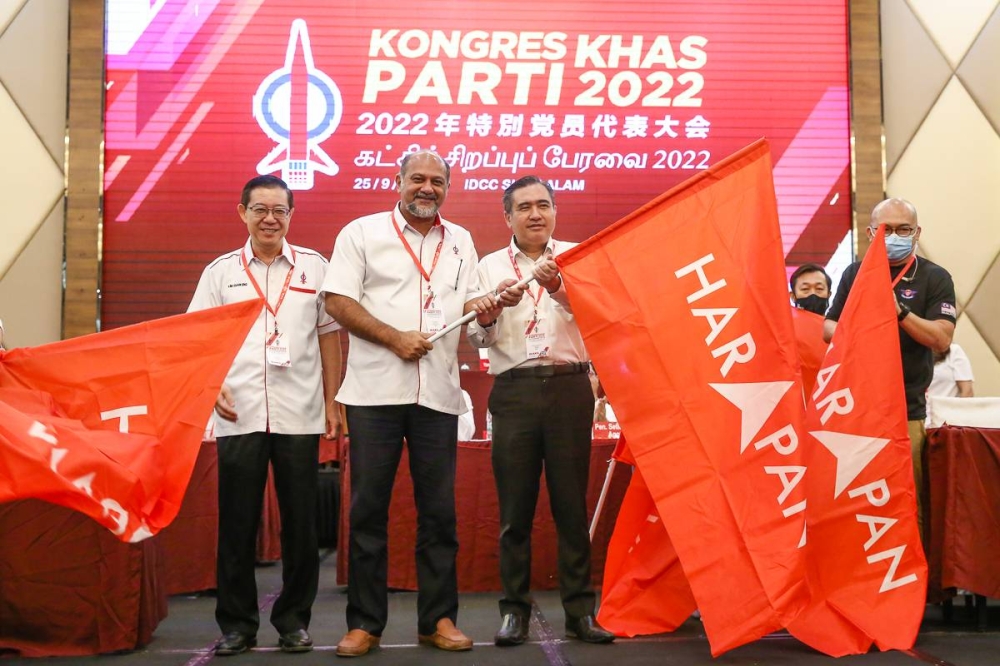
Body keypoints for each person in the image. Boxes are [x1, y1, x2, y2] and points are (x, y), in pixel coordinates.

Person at [323, 150, 494, 657]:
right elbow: (337, 300)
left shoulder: (460, 240)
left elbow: (465, 306)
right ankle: (365, 624)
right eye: (417, 179)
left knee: (439, 513)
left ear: (447, 187)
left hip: (438, 396)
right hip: (374, 394)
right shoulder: (361, 232)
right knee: (368, 510)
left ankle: (438, 619)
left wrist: (483, 308)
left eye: (437, 181)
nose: (427, 188)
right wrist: (395, 338)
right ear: (397, 181)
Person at [188, 174, 342, 656]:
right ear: (242, 213)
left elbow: (329, 338)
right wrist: (211, 390)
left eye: (279, 210)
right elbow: (201, 340)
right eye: (260, 209)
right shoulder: (220, 273)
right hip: (241, 413)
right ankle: (237, 625)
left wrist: (333, 401)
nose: (270, 218)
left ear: (291, 216)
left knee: (302, 527)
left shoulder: (316, 268)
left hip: (299, 413)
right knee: (236, 524)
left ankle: (293, 621)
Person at [467, 175, 615, 647]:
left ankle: (579, 613)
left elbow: (600, 317)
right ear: (507, 216)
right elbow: (477, 337)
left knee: (572, 507)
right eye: (525, 207)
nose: (536, 214)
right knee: (515, 510)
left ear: (554, 212)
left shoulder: (576, 256)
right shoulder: (488, 265)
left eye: (544, 205)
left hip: (570, 389)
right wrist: (490, 313)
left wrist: (556, 289)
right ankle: (514, 612)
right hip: (514, 391)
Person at [824, 197, 956, 537]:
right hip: (857, 409)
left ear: (916, 232)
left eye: (903, 229)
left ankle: (920, 588)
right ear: (871, 233)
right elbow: (828, 329)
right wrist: (864, 322)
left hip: (907, 410)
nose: (895, 235)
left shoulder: (934, 276)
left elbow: (941, 338)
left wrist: (899, 312)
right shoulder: (855, 273)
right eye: (887, 229)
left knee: (910, 502)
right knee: (858, 502)